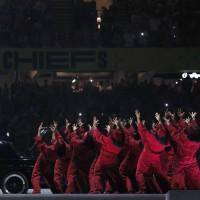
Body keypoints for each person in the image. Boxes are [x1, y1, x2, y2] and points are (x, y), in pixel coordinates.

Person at [31, 122, 61, 194]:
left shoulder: (48, 149)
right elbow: (54, 141)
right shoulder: (56, 150)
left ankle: (36, 192)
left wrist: (39, 131)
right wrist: (54, 131)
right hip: (48, 164)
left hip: (41, 162)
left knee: (35, 176)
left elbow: (39, 142)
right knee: (49, 179)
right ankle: (57, 192)